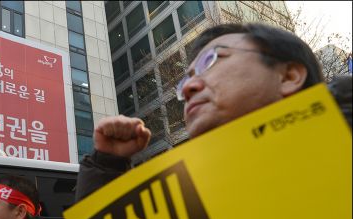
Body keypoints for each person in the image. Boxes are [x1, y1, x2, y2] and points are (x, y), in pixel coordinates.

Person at [76, 22, 330, 201]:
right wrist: (108, 163)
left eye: (212, 61)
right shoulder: (185, 199)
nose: (189, 88)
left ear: (288, 76)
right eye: (185, 81)